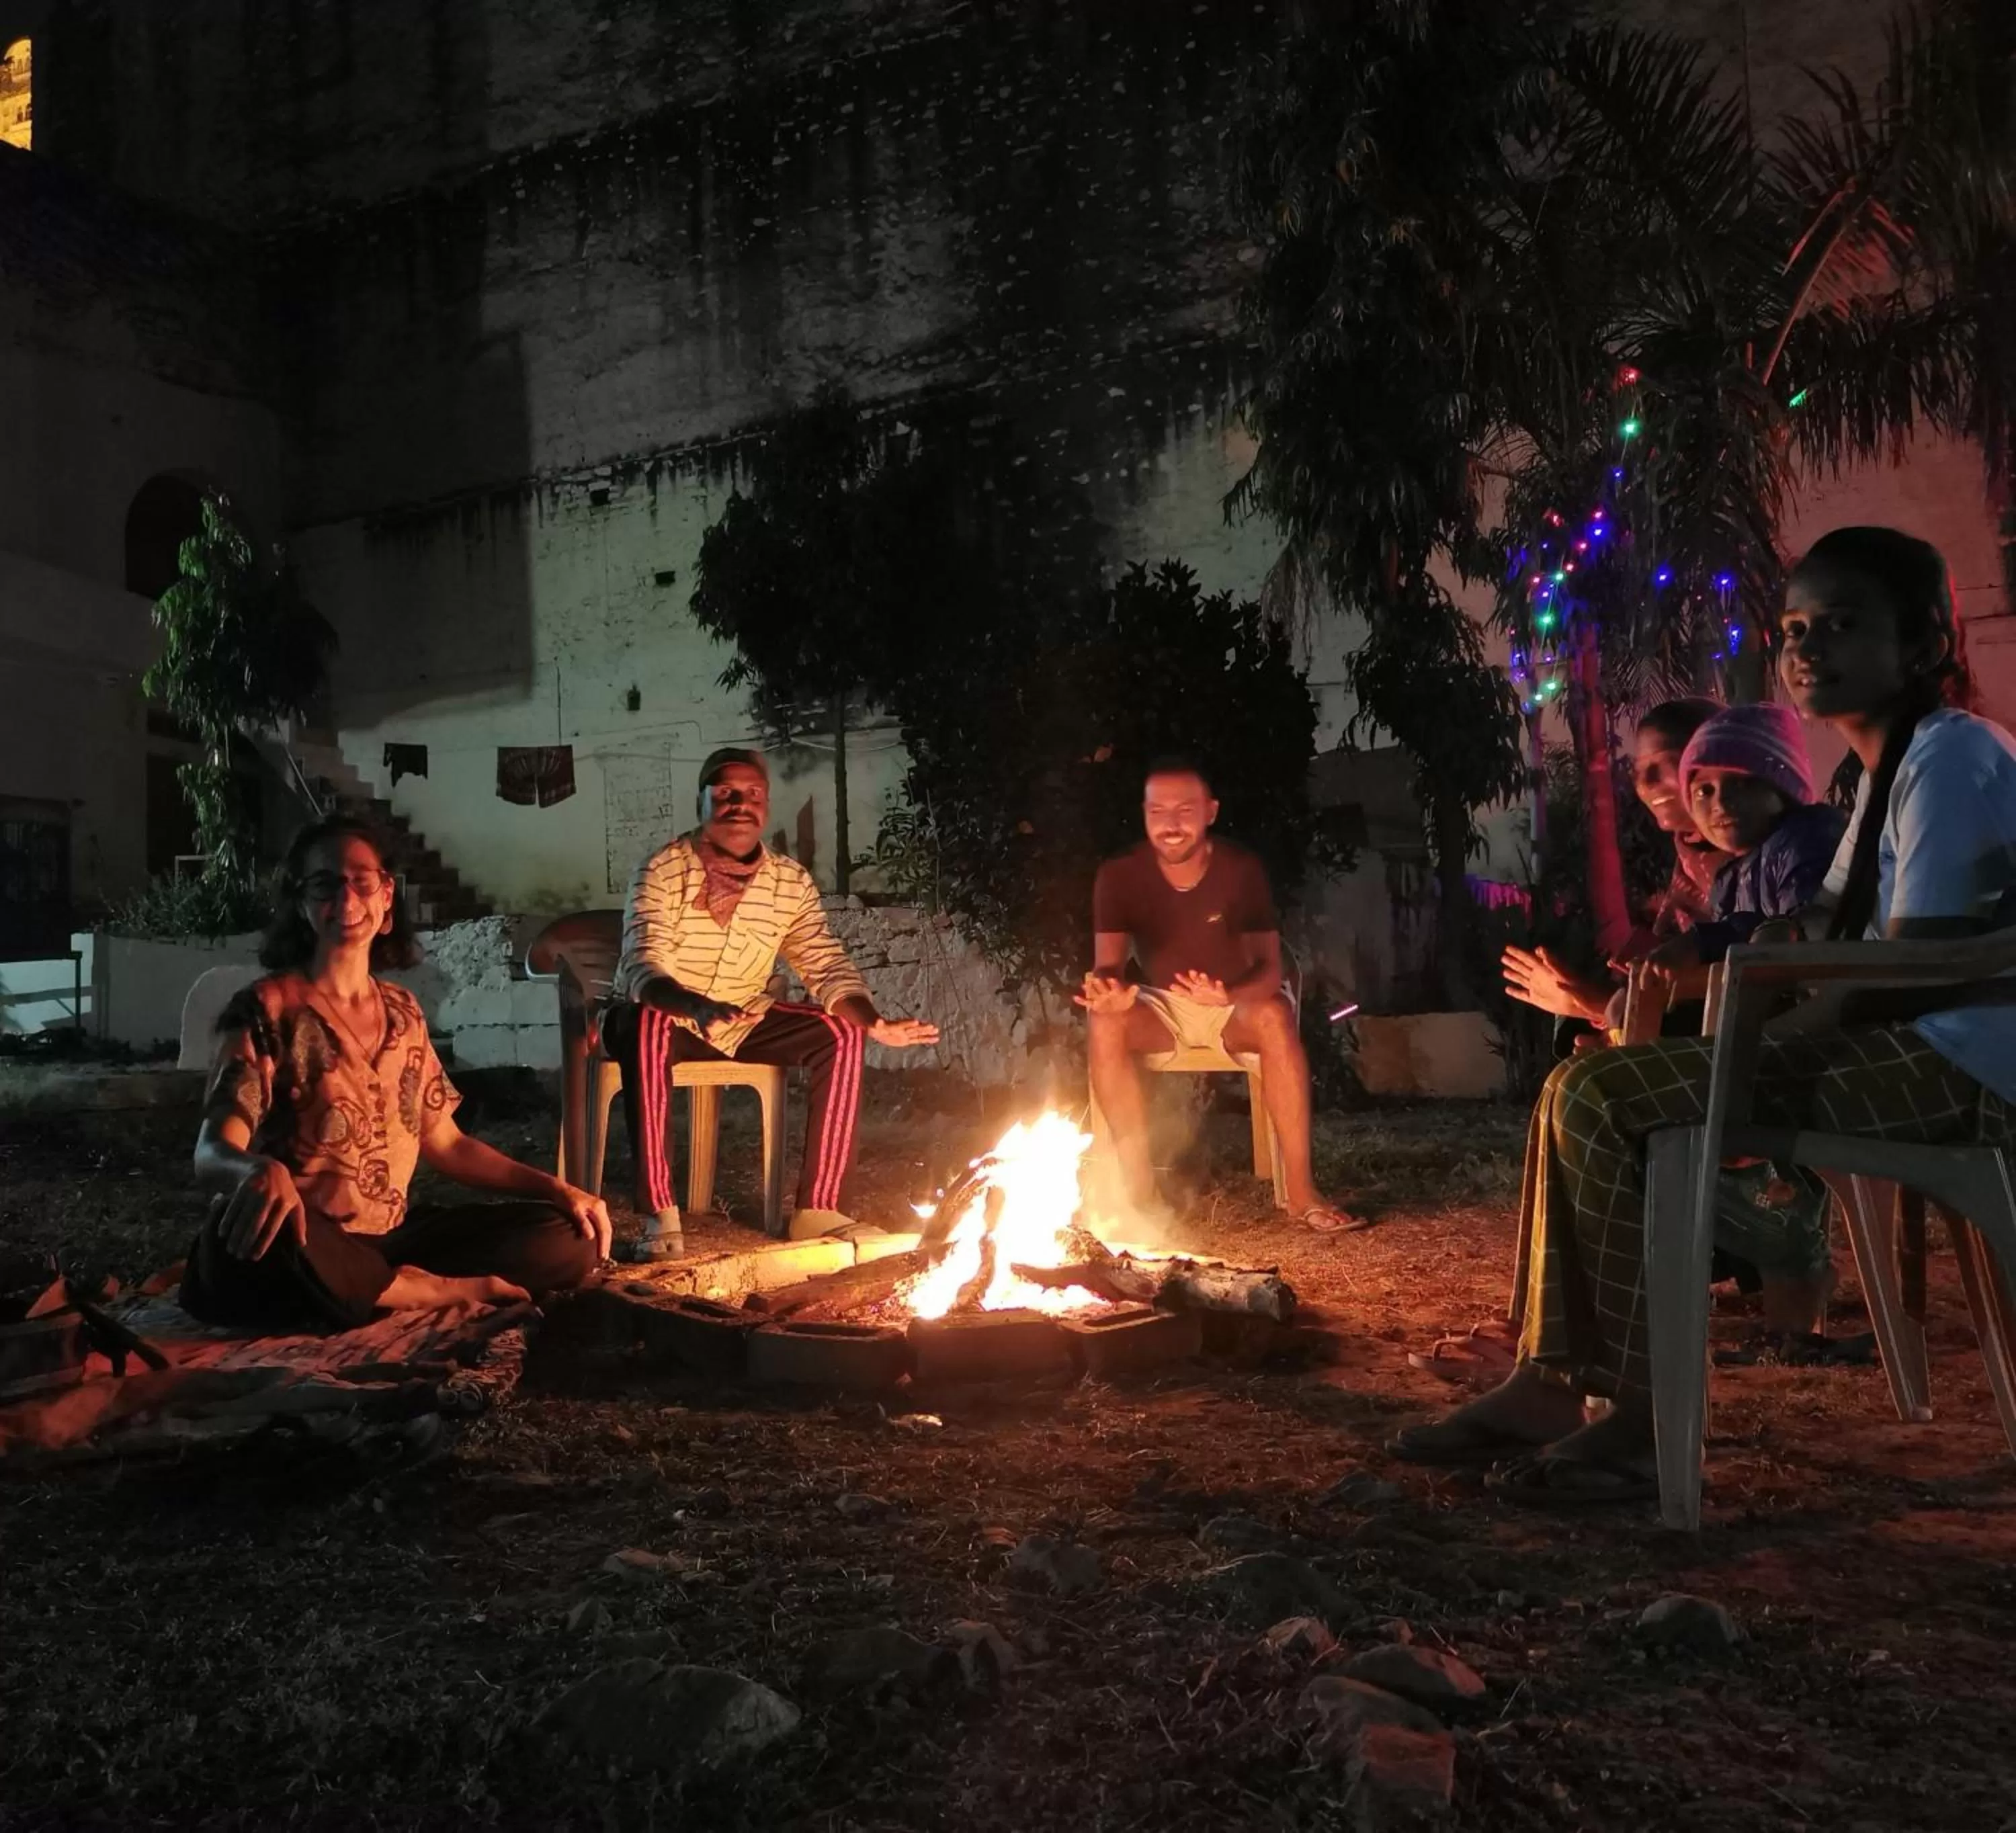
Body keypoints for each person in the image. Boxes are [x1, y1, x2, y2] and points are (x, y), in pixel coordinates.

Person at [1390, 526, 2016, 1504]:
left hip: (1957, 1066)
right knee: (1577, 1082)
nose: (1807, 646)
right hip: (1915, 1047)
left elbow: (1912, 964)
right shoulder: (1885, 779)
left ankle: (1636, 1423)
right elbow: (1815, 920)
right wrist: (1734, 953)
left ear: (1929, 641)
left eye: (1843, 624)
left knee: (1600, 1092)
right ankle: (1553, 1379)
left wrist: (1762, 1034)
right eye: (1796, 626)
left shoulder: (1948, 757)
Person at [182, 816, 610, 1332]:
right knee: (245, 1250)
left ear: (386, 899)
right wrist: (254, 1170)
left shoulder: (402, 1011)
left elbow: (448, 1145)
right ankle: (423, 1290)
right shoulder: (265, 1010)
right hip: (303, 1237)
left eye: (361, 882)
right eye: (324, 884)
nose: (345, 898)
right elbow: (212, 1151)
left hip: (392, 1235)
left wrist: (557, 1189)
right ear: (301, 904)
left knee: (569, 1237)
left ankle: (375, 1287)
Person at [604, 747, 939, 1259]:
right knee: (649, 1020)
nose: (741, 804)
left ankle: (818, 1210)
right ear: (701, 803)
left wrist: (873, 1022)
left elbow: (823, 962)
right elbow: (641, 967)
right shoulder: (661, 870)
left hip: (738, 1017)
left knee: (840, 1032)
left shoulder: (789, 882)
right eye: (725, 793)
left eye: (753, 794)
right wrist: (693, 1006)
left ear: (767, 806)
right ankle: (660, 1217)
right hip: (660, 1017)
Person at [1077, 758, 1359, 1232]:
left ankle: (1302, 1192)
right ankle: (1138, 1191)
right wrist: (1112, 991)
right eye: (1157, 811)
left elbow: (1270, 971)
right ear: (1144, 815)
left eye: (1184, 810)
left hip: (1236, 1003)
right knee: (1104, 1022)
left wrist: (1226, 993)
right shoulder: (1119, 874)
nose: (1170, 824)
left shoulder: (1239, 870)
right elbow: (1108, 965)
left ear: (1210, 812)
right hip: (1161, 1003)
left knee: (1272, 1014)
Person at [1501, 697, 1726, 1033]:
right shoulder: (1693, 860)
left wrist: (1597, 1004)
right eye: (1638, 769)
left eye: (1666, 763)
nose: (1646, 782)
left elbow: (1741, 989)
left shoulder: (1746, 868)